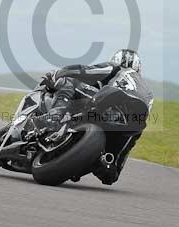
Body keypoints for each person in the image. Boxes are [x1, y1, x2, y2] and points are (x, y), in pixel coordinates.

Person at [32, 49, 152, 185]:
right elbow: (111, 178)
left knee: (69, 81)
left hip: (107, 101)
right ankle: (102, 162)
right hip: (134, 122)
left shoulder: (117, 68)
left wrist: (57, 74)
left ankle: (54, 115)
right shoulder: (146, 89)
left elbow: (83, 71)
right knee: (112, 170)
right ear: (139, 68)